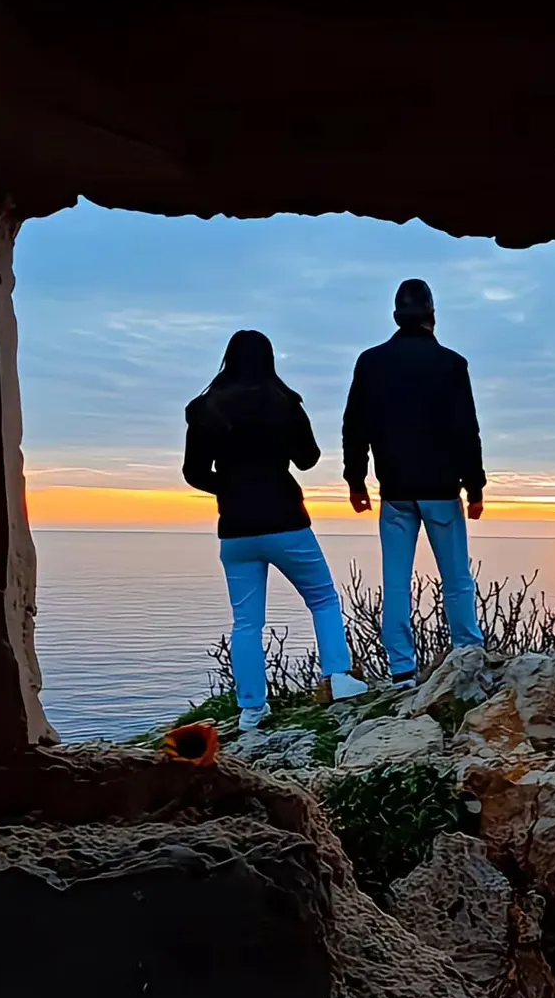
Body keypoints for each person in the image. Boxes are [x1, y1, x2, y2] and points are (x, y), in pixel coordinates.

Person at [184, 329, 367, 728]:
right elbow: (308, 459)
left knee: (246, 622)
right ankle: (337, 677)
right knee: (322, 599)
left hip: (235, 529)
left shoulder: (203, 408)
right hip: (286, 521)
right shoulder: (285, 402)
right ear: (269, 360)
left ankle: (251, 708)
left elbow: (193, 473)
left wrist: (231, 487)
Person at [342, 278, 485, 687]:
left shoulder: (370, 362)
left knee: (396, 582)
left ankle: (402, 670)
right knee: (457, 579)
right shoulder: (452, 364)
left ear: (395, 318)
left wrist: (356, 480)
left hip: (396, 491)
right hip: (442, 489)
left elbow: (355, 426)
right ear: (432, 317)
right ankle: (467, 655)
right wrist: (475, 488)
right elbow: (466, 430)